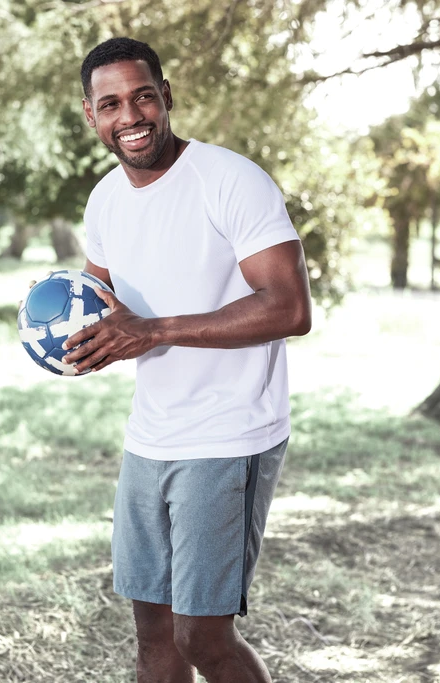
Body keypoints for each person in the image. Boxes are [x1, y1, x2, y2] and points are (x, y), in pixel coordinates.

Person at [62, 37, 312, 683]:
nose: (131, 116)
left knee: (201, 635)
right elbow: (99, 304)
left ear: (166, 96)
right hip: (150, 435)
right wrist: (69, 334)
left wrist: (153, 331)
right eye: (111, 104)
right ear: (91, 115)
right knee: (153, 638)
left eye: (143, 96)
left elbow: (290, 308)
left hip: (230, 432)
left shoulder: (230, 180)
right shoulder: (105, 200)